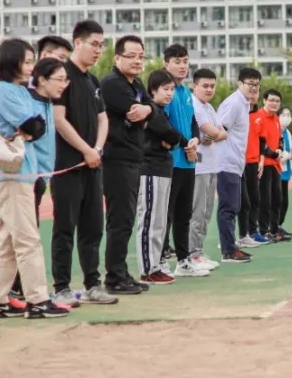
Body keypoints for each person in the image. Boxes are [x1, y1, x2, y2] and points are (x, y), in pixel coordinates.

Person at [0, 40, 70, 319]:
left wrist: (30, 128)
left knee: (9, 239)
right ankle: (37, 299)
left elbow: (37, 129)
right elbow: (34, 126)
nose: (31, 67)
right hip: (12, 174)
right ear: (12, 61)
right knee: (27, 238)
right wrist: (29, 128)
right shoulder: (5, 90)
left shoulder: (19, 91)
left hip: (24, 172)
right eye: (28, 61)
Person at [51, 21, 116, 306]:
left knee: (93, 226)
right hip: (68, 165)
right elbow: (58, 119)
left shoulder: (93, 81)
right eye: (94, 44)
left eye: (101, 45)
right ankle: (62, 286)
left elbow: (103, 118)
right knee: (65, 226)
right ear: (77, 43)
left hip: (93, 164)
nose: (98, 50)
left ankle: (93, 283)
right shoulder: (62, 76)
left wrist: (98, 149)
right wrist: (85, 150)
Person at [100, 34, 152, 295]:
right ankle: (114, 277)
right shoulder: (112, 84)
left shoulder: (137, 83)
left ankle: (121, 272)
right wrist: (143, 111)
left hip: (133, 158)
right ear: (117, 57)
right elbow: (133, 111)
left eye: (141, 56)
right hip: (116, 159)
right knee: (120, 219)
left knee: (127, 218)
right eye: (131, 56)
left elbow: (147, 108)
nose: (137, 61)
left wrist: (148, 110)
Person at [137, 70, 202, 281]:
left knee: (161, 220)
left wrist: (174, 141)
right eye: (165, 89)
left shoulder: (162, 111)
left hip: (164, 168)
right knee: (151, 220)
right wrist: (175, 141)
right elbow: (169, 134)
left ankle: (156, 264)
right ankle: (149, 269)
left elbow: (170, 136)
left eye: (172, 89)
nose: (169, 94)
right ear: (152, 91)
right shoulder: (153, 111)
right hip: (151, 169)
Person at [163, 45, 201, 272]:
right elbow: (163, 124)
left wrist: (195, 139)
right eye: (177, 61)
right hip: (170, 161)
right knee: (166, 214)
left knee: (184, 214)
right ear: (166, 64)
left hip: (188, 161)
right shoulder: (164, 91)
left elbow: (193, 123)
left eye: (185, 61)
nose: (182, 66)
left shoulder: (187, 93)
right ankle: (159, 260)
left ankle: (183, 261)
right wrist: (184, 143)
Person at [214, 69, 259, 263]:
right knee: (229, 207)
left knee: (236, 205)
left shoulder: (245, 105)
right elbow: (219, 130)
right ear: (239, 83)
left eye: (257, 84)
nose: (253, 88)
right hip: (226, 162)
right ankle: (228, 250)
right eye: (250, 83)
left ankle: (232, 246)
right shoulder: (233, 103)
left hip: (236, 163)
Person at [190, 68, 226, 272]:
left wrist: (214, 134)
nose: (209, 89)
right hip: (199, 167)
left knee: (206, 212)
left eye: (212, 86)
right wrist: (215, 134)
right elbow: (214, 132)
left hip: (211, 165)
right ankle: (192, 253)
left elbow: (223, 133)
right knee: (197, 211)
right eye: (205, 86)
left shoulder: (210, 108)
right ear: (195, 86)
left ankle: (199, 251)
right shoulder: (195, 106)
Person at [256, 89, 289, 243]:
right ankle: (263, 231)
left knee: (278, 198)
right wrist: (274, 154)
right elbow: (258, 142)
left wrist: (280, 150)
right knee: (265, 200)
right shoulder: (259, 118)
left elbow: (280, 138)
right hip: (263, 164)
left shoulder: (276, 119)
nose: (274, 103)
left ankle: (275, 230)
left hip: (275, 165)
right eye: (271, 100)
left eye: (277, 101)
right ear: (264, 100)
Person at [242, 87, 267, 246]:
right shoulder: (238, 111)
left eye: (256, 92)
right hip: (238, 162)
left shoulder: (259, 116)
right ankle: (235, 234)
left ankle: (252, 231)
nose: (253, 96)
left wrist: (261, 160)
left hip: (253, 162)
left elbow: (262, 141)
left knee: (254, 199)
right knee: (238, 201)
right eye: (250, 92)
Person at [278, 107, 292, 233]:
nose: (286, 117)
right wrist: (287, 156)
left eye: (288, 114)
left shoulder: (287, 133)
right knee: (278, 200)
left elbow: (289, 148)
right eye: (283, 114)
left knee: (285, 201)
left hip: (286, 170)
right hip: (277, 170)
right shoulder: (276, 131)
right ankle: (272, 226)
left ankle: (278, 225)